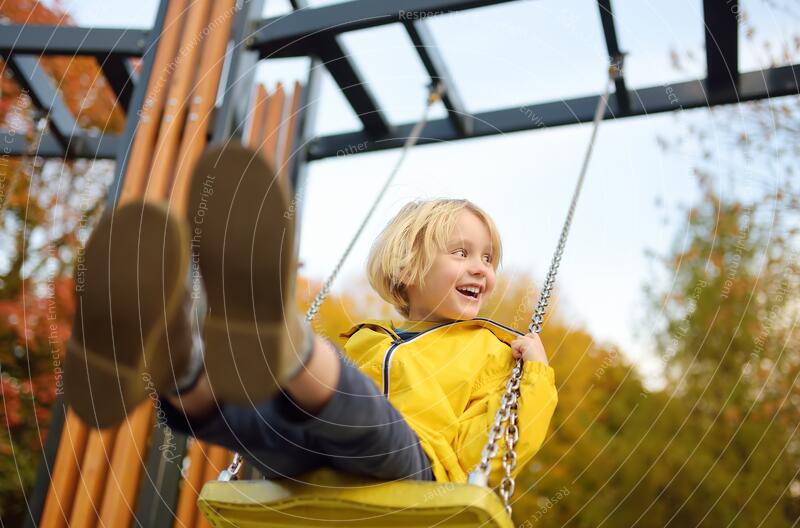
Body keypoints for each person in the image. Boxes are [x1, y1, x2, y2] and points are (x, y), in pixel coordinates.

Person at [63, 143, 558, 485]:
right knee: (268, 425)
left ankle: (282, 335)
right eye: (463, 253)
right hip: (323, 468)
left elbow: (497, 450)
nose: (481, 269)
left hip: (419, 469)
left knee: (360, 412)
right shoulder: (370, 338)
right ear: (407, 267)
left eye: (488, 258)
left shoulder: (495, 350)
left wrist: (533, 372)